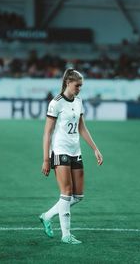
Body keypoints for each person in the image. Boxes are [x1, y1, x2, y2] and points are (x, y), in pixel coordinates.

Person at [40, 68, 103, 245]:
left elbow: (82, 127)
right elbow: (47, 133)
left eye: (81, 86)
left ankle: (46, 216)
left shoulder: (78, 101)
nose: (79, 89)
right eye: (77, 85)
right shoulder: (56, 103)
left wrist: (95, 149)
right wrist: (46, 159)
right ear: (68, 83)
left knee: (78, 196)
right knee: (66, 193)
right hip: (60, 151)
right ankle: (66, 235)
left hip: (76, 151)